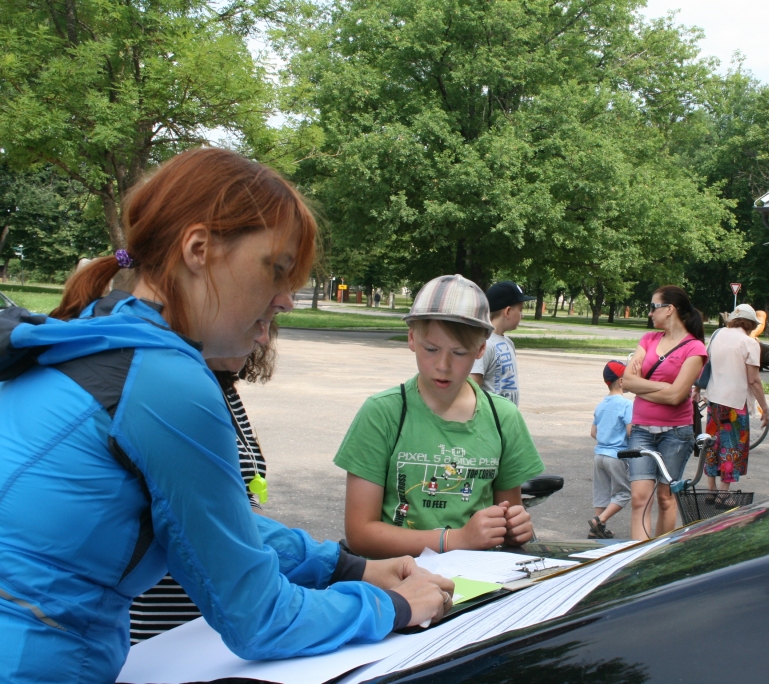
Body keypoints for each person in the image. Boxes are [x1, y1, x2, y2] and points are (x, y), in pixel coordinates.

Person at [0, 148, 453, 683]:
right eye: (277, 269)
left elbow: (217, 523)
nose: (285, 300)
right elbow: (259, 618)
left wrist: (348, 566)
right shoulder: (167, 378)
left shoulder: (105, 334)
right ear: (199, 249)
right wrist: (398, 608)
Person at [335, 274, 546, 558]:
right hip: (398, 584)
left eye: (459, 353)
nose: (443, 366)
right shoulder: (382, 413)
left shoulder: (503, 418)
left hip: (475, 583)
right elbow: (361, 533)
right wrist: (454, 539)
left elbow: (508, 511)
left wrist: (513, 527)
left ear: (481, 349)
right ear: (411, 338)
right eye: (431, 349)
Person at [129, 333, 276, 643]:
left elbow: (242, 493)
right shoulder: (176, 394)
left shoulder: (222, 388)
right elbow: (210, 522)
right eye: (258, 318)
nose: (262, 336)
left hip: (211, 613)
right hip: (159, 625)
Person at [622, 286, 707, 539]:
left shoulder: (695, 349)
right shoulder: (648, 340)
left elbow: (676, 397)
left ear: (670, 309)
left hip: (676, 434)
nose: (650, 313)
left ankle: (658, 554)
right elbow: (626, 381)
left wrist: (641, 388)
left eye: (653, 307)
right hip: (641, 430)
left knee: (665, 498)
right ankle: (637, 557)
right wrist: (663, 386)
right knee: (639, 498)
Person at [703, 304, 769, 502]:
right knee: (731, 446)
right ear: (750, 324)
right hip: (734, 403)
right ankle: (724, 493)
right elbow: (753, 380)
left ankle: (711, 489)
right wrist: (764, 408)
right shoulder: (749, 343)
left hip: (714, 399)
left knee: (712, 443)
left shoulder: (717, 334)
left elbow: (706, 363)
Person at [470, 280, 535, 406]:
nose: (522, 316)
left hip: (507, 419)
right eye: (520, 310)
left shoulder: (509, 343)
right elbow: (472, 389)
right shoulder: (485, 344)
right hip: (491, 420)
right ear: (508, 311)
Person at [588, 360, 633, 539]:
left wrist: (606, 440)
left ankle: (597, 529)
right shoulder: (626, 404)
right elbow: (630, 431)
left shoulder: (602, 404)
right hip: (617, 455)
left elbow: (593, 432)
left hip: (600, 455)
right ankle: (599, 520)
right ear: (621, 381)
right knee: (623, 493)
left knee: (602, 492)